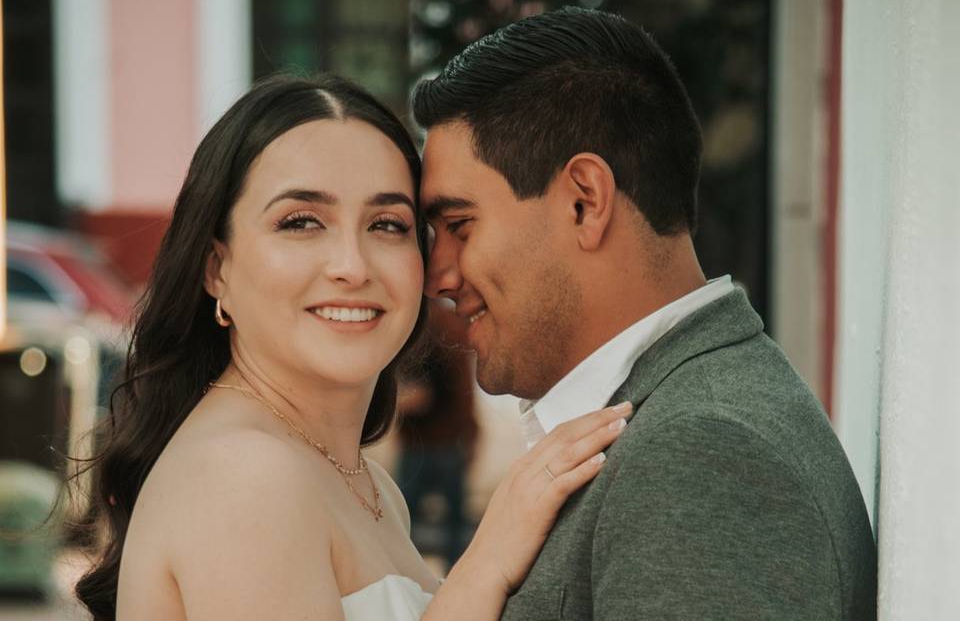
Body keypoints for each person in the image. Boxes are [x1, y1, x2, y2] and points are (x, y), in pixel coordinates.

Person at [72, 74, 633, 621]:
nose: (351, 266)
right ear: (216, 268)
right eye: (301, 222)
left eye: (387, 225)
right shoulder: (245, 475)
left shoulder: (366, 485)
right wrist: (487, 563)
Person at [414, 6, 877, 620]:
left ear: (585, 202)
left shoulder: (702, 455)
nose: (437, 276)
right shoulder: (677, 418)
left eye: (458, 225)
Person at [396, 300, 478, 569]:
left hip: (425, 444)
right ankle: (453, 577)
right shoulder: (455, 325)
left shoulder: (423, 326)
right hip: (450, 440)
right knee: (453, 523)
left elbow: (420, 395)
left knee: (401, 521)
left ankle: (404, 574)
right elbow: (464, 392)